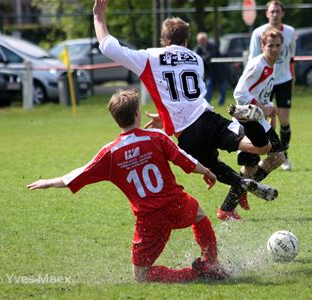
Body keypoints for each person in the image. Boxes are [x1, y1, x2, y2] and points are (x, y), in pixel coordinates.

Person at [92, 0, 278, 217]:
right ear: (187, 40)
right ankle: (247, 121)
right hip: (206, 118)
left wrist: (98, 16)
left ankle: (240, 183)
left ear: (164, 39)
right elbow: (187, 96)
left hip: (186, 135)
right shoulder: (196, 59)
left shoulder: (150, 57)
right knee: (261, 148)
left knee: (212, 167)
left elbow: (108, 46)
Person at [27, 89, 228, 283]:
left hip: (149, 219)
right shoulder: (157, 137)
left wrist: (50, 182)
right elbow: (185, 160)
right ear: (137, 114)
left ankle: (192, 274)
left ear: (116, 119)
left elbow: (82, 173)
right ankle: (212, 264)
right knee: (199, 215)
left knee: (141, 276)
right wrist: (207, 172)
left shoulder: (111, 152)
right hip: (175, 204)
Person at [218, 27, 286, 220]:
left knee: (265, 162)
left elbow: (261, 93)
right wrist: (261, 109)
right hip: (249, 122)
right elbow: (239, 93)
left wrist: (270, 108)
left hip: (259, 120)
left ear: (282, 46)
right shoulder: (257, 64)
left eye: (277, 45)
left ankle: (240, 193)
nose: (274, 49)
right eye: (270, 45)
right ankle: (227, 207)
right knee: (269, 160)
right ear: (262, 46)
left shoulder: (272, 65)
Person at [249, 0, 296, 171]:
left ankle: (284, 156)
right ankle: (259, 155)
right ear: (267, 13)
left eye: (278, 11)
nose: (275, 14)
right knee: (263, 120)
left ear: (283, 13)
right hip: (264, 82)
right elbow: (253, 60)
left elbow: (291, 58)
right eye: (272, 11)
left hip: (284, 80)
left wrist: (293, 78)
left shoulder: (290, 32)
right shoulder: (258, 33)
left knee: (284, 120)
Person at [194, 32, 228, 106]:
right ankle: (207, 103)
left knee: (222, 87)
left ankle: (221, 103)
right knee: (209, 86)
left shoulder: (213, 46)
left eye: (203, 40)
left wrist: (201, 59)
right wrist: (202, 59)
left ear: (206, 40)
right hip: (210, 71)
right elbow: (195, 56)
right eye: (200, 40)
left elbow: (210, 56)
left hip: (220, 70)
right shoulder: (198, 48)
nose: (201, 42)